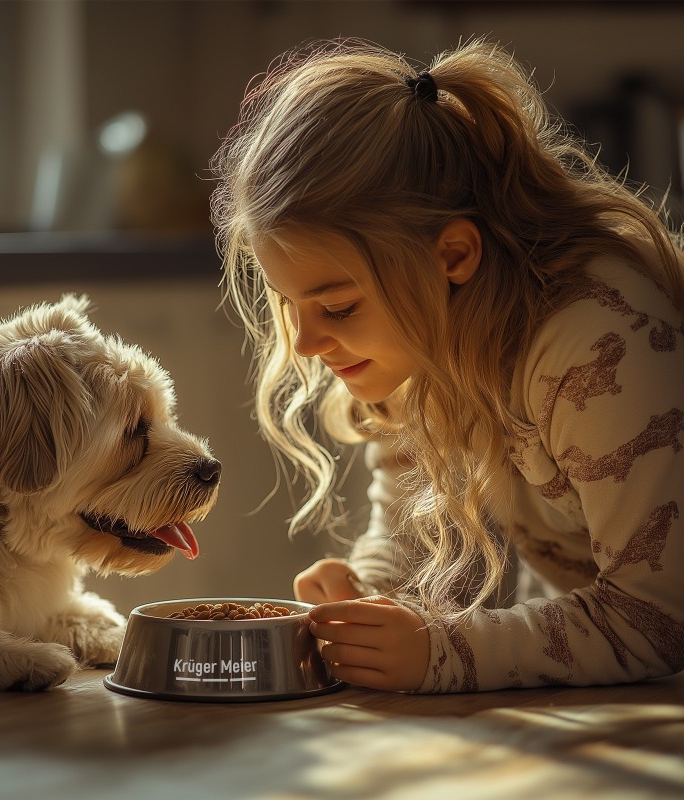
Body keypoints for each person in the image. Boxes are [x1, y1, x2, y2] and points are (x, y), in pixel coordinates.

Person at [210, 37, 684, 693]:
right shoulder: (414, 345)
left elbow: (655, 622)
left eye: (339, 307)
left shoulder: (600, 339)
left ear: (454, 256)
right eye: (290, 306)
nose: (305, 345)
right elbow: (427, 561)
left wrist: (447, 654)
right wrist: (368, 597)